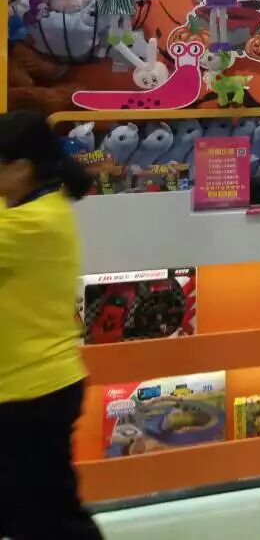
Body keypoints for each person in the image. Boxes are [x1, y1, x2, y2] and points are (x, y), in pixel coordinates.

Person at [0, 110, 102, 539]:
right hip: (29, 389)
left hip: (31, 394)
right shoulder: (31, 205)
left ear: (21, 169)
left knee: (50, 521)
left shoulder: (30, 223)